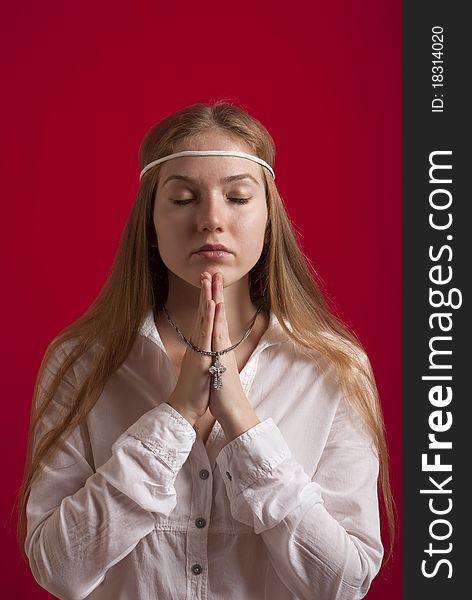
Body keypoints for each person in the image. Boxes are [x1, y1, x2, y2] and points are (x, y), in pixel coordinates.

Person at [17, 101, 394, 599]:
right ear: (150, 222)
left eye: (237, 197)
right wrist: (175, 415)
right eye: (182, 198)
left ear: (268, 219)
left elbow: (345, 582)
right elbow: (57, 568)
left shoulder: (332, 367)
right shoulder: (78, 362)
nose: (211, 219)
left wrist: (241, 421)